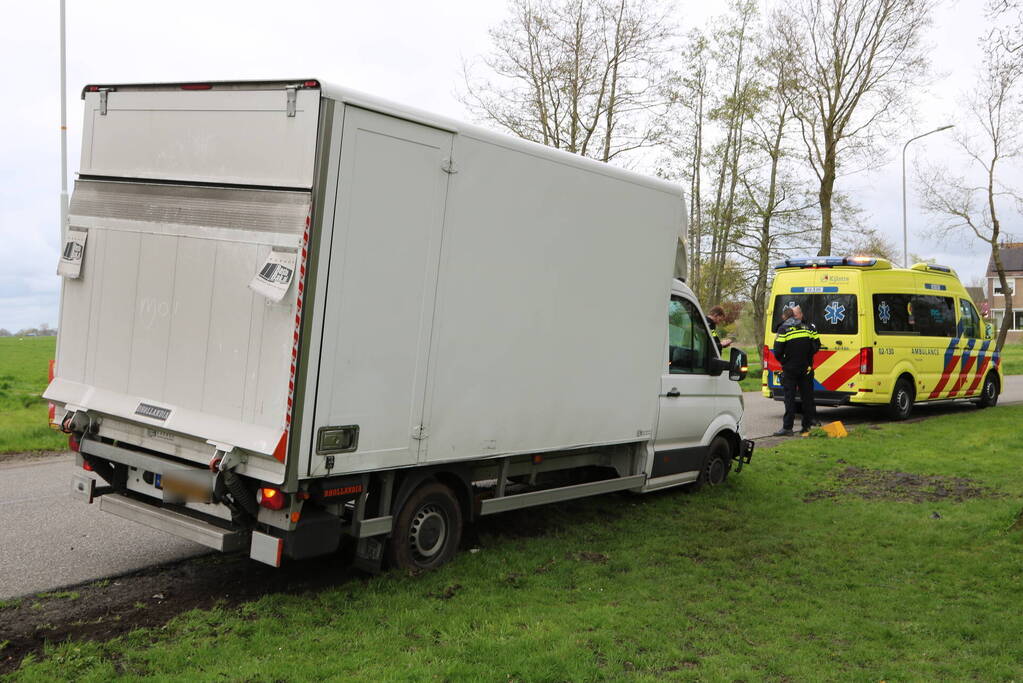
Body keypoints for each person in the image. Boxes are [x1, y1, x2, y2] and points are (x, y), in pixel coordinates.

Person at [772, 304, 820, 436]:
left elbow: (777, 351)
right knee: (807, 398)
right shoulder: (808, 328)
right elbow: (816, 346)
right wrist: (807, 358)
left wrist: (784, 362)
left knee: (790, 398)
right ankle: (806, 427)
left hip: (790, 369)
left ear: (786, 316)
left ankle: (788, 428)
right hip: (806, 368)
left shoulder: (784, 329)